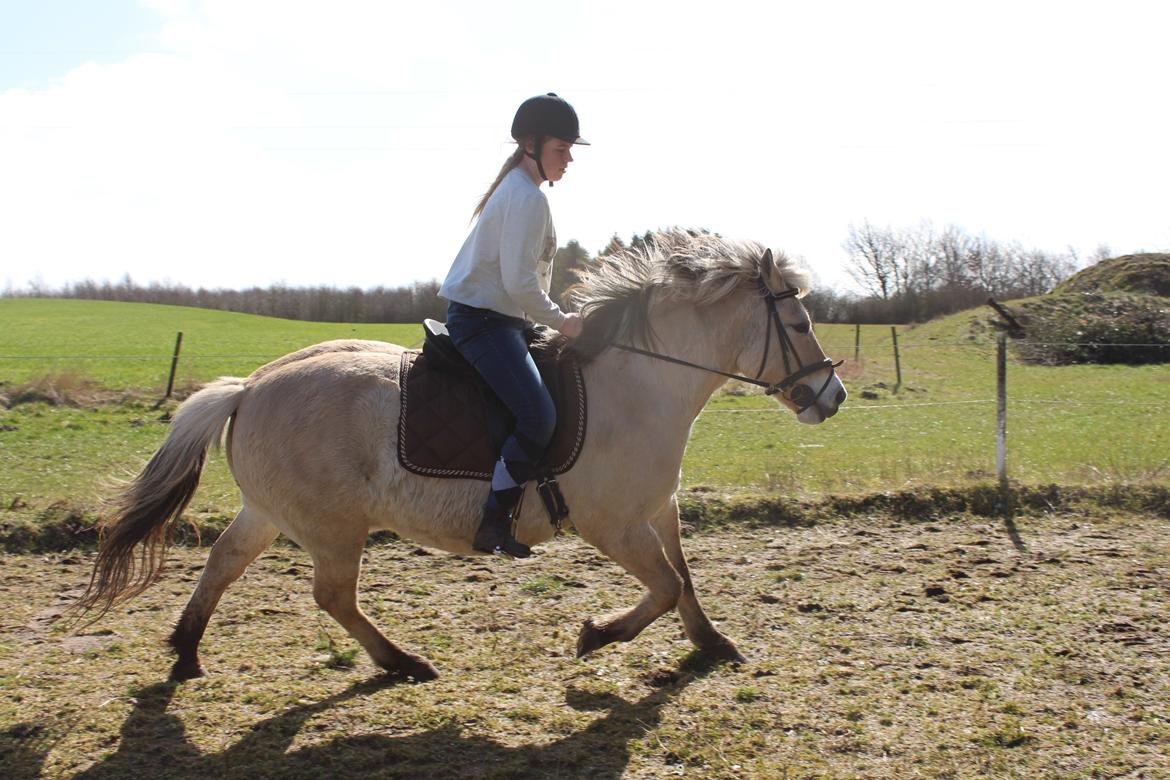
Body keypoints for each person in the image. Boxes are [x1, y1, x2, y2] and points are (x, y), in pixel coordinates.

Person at [439, 93, 588, 558]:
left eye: (569, 151)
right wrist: (562, 322)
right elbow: (520, 283)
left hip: (503, 319)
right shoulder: (525, 197)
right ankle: (493, 523)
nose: (568, 160)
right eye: (561, 149)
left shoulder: (523, 192)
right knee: (537, 416)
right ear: (530, 144)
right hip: (485, 323)